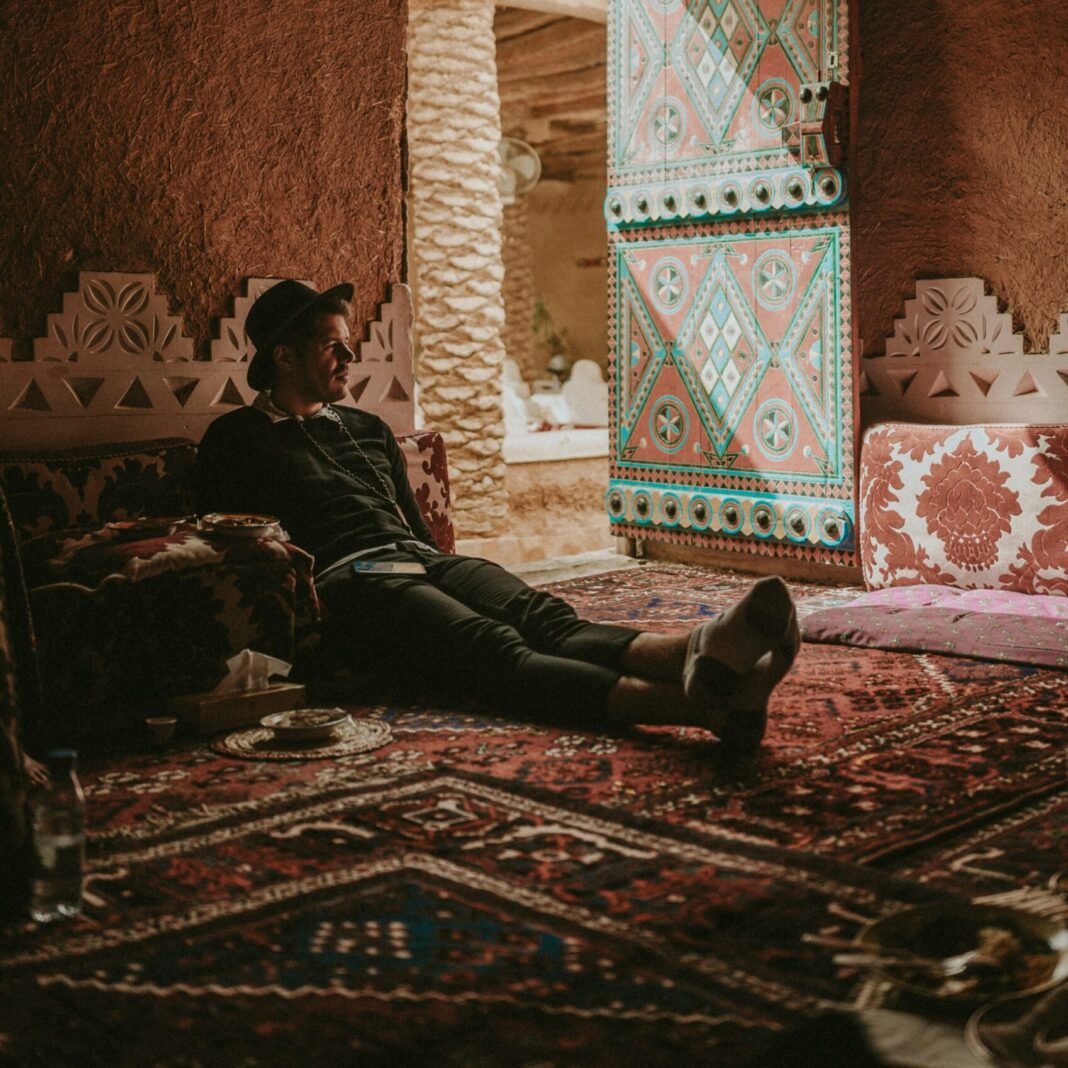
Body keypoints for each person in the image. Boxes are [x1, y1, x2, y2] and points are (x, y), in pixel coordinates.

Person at [193, 281, 801, 747]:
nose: (350, 354)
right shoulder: (237, 438)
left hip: (419, 561)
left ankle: (702, 649)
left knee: (544, 616)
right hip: (351, 581)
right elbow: (228, 541)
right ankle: (700, 709)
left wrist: (442, 570)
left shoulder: (366, 427)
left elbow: (415, 525)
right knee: (493, 645)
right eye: (332, 345)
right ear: (284, 358)